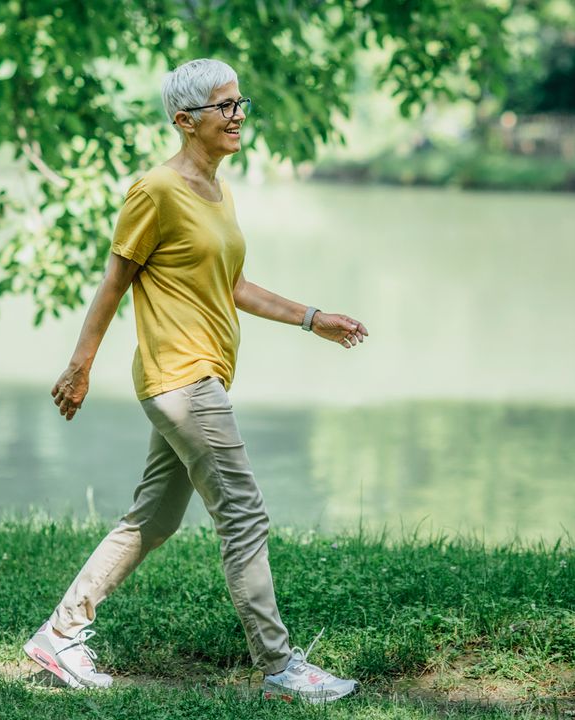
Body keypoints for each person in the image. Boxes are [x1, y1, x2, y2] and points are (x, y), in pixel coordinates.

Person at [22, 58, 369, 704]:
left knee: (152, 520)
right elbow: (115, 280)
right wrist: (80, 363)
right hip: (181, 380)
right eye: (225, 107)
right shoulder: (155, 190)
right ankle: (281, 668)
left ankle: (59, 636)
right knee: (244, 512)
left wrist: (312, 318)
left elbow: (231, 286)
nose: (239, 117)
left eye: (241, 104)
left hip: (199, 377)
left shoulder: (217, 192)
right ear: (185, 121)